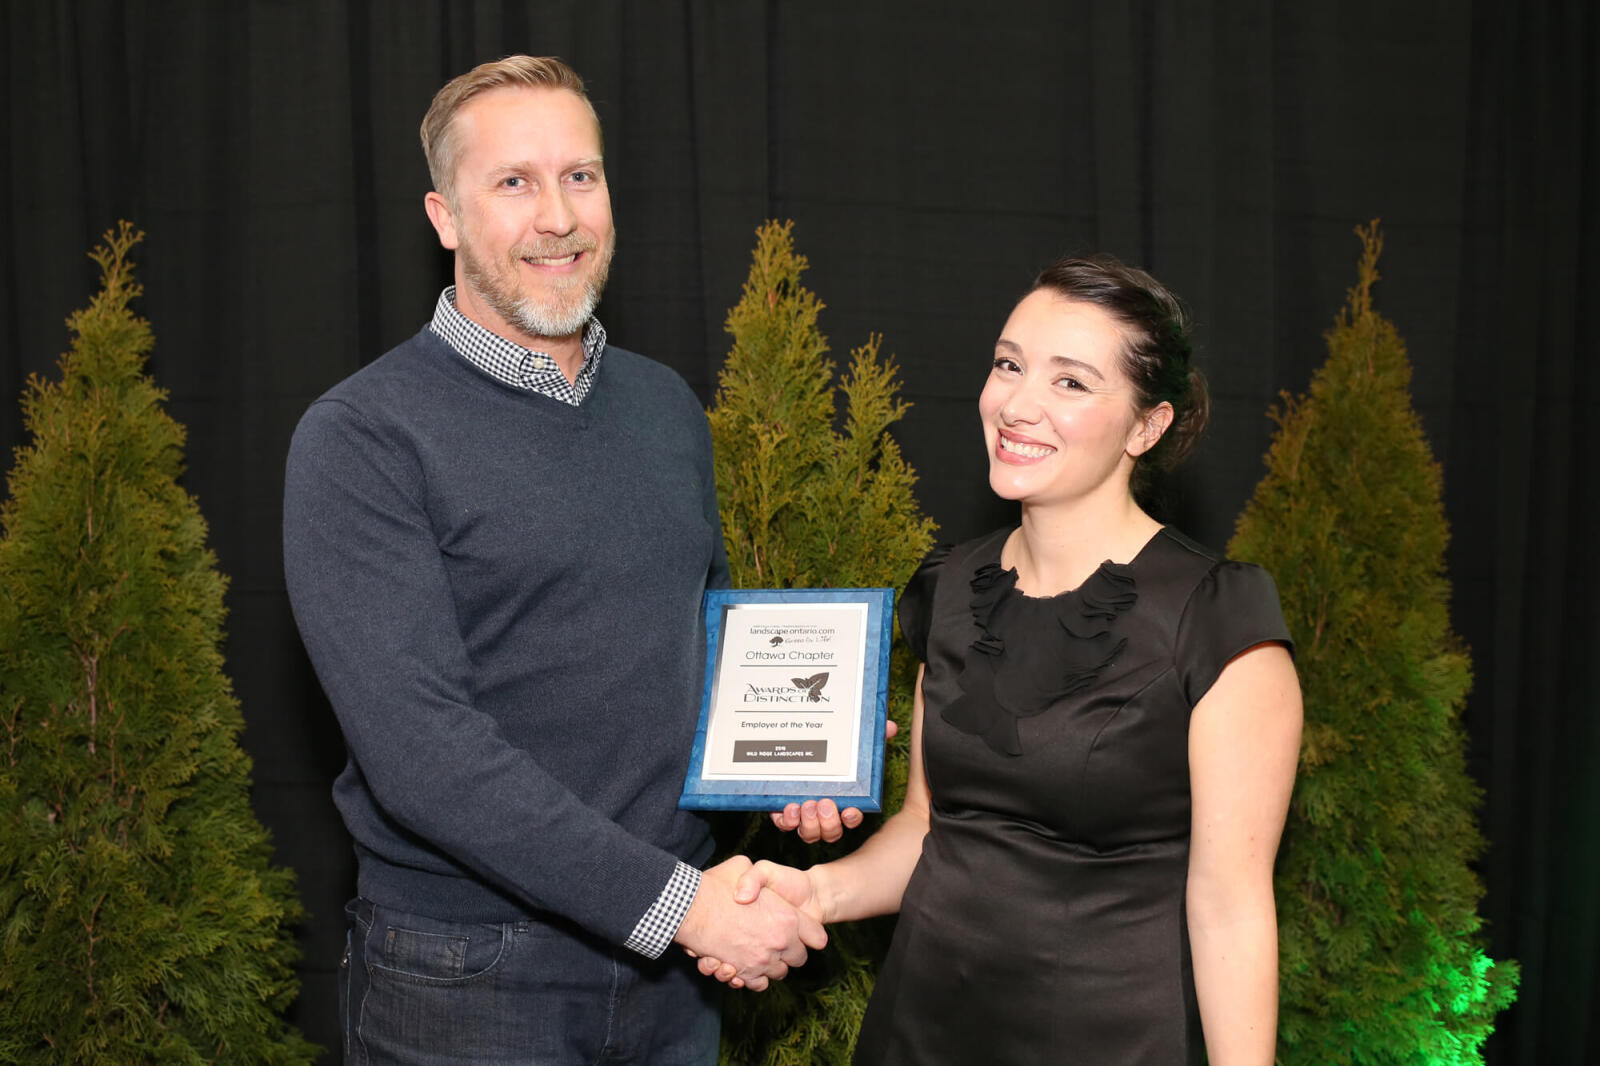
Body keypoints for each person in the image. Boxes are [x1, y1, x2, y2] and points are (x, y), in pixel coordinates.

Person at [283, 56, 833, 1065]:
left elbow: (692, 656)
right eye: (513, 183)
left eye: (580, 176)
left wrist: (788, 755)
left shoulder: (664, 406)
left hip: (670, 980)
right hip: (467, 976)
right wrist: (683, 909)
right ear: (443, 216)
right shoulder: (363, 437)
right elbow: (423, 755)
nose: (558, 217)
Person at [705, 255, 1303, 1065]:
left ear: (1145, 426)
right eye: (1009, 365)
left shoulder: (1219, 620)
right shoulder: (949, 589)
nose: (1017, 405)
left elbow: (1231, 906)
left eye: (1072, 383)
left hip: (1115, 1043)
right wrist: (814, 890)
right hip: (920, 1031)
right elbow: (928, 830)